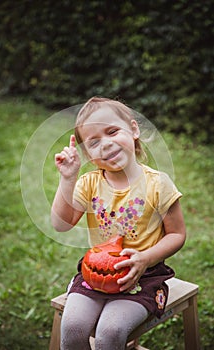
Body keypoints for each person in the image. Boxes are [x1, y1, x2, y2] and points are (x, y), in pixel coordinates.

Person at [51, 97, 186, 350]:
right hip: (96, 274)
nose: (106, 144)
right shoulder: (90, 183)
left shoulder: (158, 184)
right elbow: (61, 224)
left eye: (112, 131)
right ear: (88, 155)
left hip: (144, 276)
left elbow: (177, 234)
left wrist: (145, 258)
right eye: (94, 142)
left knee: (110, 332)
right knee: (72, 326)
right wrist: (67, 180)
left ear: (133, 130)